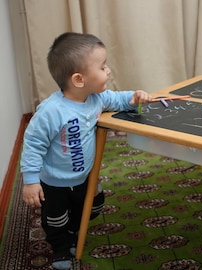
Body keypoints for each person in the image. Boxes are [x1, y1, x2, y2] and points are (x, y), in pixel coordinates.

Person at [20, 32, 153, 270]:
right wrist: (30, 180)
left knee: (92, 206)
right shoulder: (51, 111)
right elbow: (33, 144)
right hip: (55, 181)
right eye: (102, 67)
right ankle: (60, 247)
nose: (108, 71)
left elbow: (118, 99)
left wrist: (134, 97)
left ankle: (73, 230)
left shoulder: (96, 98)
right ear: (79, 79)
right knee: (55, 219)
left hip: (85, 175)